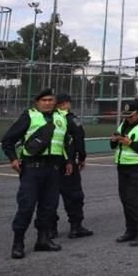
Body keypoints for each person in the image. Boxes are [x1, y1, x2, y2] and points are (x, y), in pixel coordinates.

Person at [1, 88, 73, 259]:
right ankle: (18, 243)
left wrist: (69, 160)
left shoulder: (61, 117)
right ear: (37, 102)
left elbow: (66, 141)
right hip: (32, 168)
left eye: (50, 100)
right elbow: (8, 140)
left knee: (49, 207)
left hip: (54, 169)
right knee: (26, 206)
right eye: (44, 100)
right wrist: (13, 159)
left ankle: (43, 240)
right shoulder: (29, 116)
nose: (48, 103)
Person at [111, 98, 138, 246]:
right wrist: (114, 140)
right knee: (125, 199)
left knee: (133, 199)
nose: (127, 118)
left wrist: (130, 143)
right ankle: (130, 231)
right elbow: (114, 145)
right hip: (122, 165)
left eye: (130, 116)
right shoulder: (124, 123)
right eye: (126, 115)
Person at [52, 93, 92, 239]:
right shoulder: (70, 119)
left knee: (49, 196)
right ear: (65, 104)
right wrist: (81, 158)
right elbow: (79, 139)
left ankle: (50, 229)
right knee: (73, 194)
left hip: (49, 163)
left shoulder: (47, 117)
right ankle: (76, 227)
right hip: (66, 162)